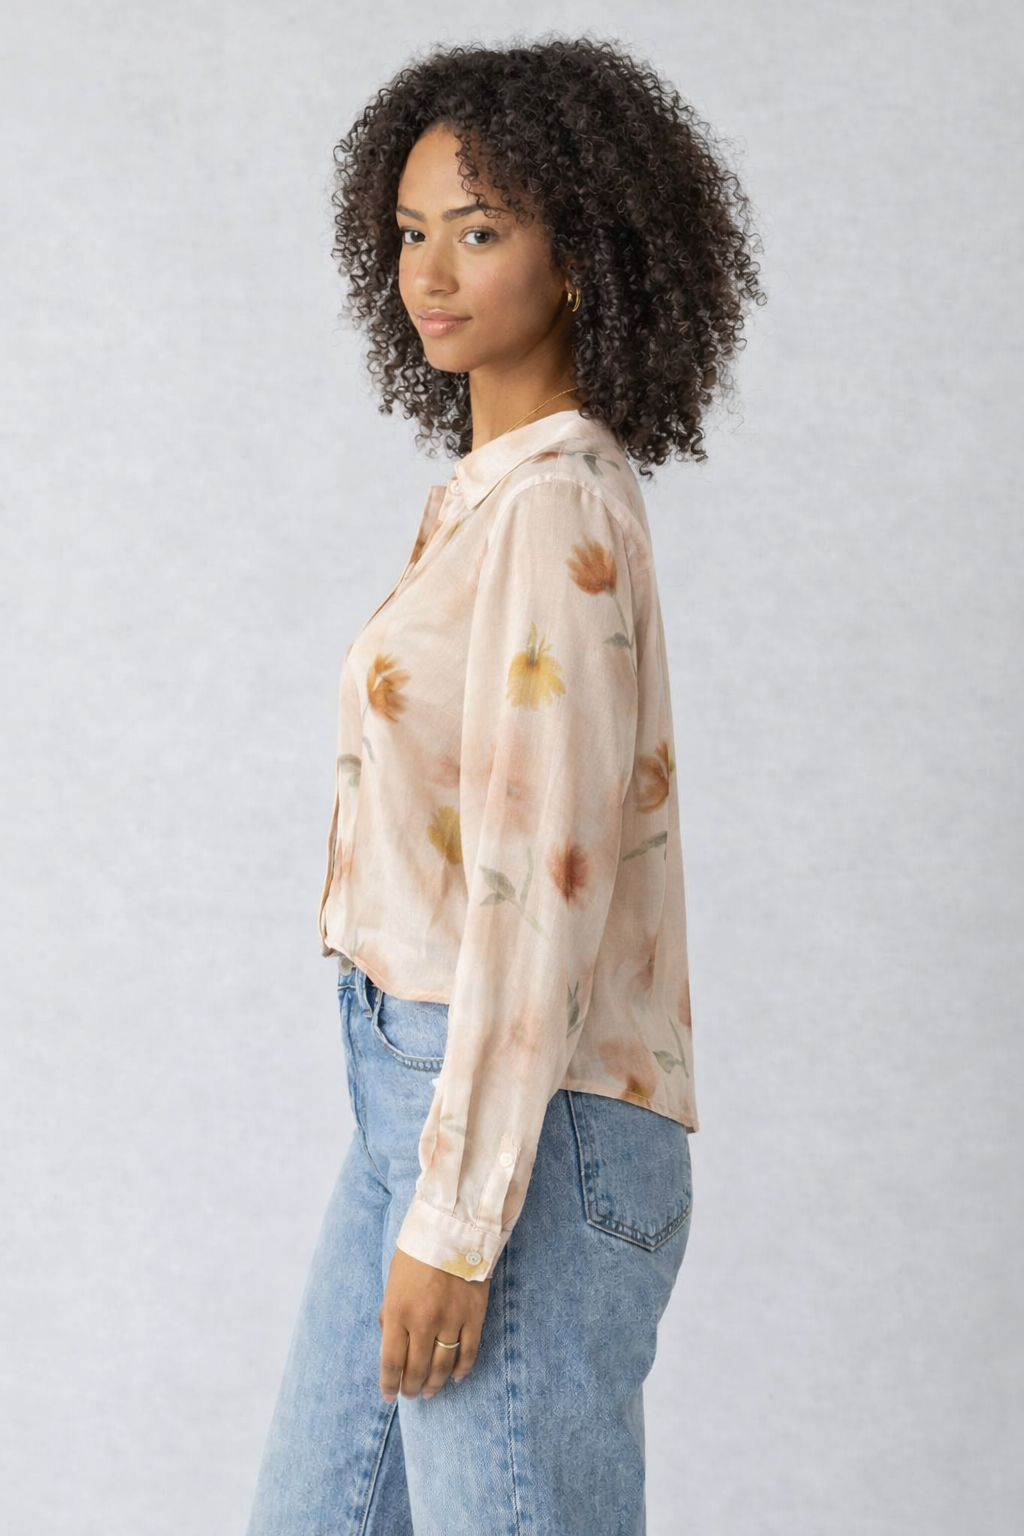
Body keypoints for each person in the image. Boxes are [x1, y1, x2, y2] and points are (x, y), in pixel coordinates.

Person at [245, 33, 765, 1536]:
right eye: (412, 231)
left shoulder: (554, 511)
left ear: (581, 252)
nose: (431, 270)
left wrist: (463, 1223)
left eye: (479, 232)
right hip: (421, 1102)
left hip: (518, 1126)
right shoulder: (500, 497)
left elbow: (541, 886)